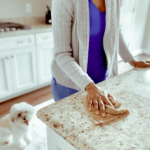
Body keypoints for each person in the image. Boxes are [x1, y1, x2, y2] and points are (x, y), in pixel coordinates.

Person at [50, 0, 150, 118]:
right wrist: (90, 86)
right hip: (70, 85)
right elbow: (62, 53)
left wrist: (132, 61)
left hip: (102, 81)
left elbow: (114, 32)